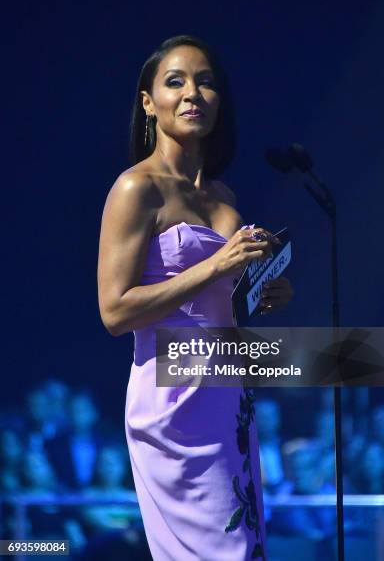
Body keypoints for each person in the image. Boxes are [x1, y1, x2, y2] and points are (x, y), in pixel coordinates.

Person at [97, 34, 293, 560]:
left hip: (227, 388)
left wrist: (260, 291)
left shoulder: (225, 197)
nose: (192, 94)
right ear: (148, 102)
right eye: (176, 82)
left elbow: (220, 309)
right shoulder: (137, 188)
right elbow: (114, 311)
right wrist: (215, 266)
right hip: (173, 400)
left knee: (245, 548)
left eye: (206, 82)